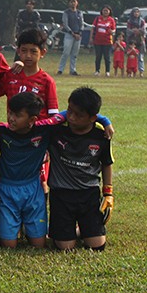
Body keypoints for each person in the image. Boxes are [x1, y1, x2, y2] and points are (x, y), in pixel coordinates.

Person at [48, 87, 114, 251]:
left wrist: (108, 193)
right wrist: (104, 119)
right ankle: (69, 231)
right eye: (69, 111)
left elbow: (106, 163)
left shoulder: (101, 137)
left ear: (93, 118)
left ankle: (81, 229)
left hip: (88, 194)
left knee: (97, 246)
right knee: (65, 247)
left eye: (78, 115)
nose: (71, 117)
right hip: (61, 194)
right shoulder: (57, 130)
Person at [56, 0, 83, 76]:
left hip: (78, 35)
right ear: (69, 3)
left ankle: (73, 70)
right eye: (71, 2)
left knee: (74, 54)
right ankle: (60, 69)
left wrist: (79, 32)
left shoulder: (79, 13)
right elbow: (65, 24)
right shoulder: (66, 12)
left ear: (77, 3)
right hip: (69, 34)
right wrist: (72, 33)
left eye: (74, 1)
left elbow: (82, 24)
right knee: (66, 52)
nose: (73, 3)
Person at [92, 5, 117, 76]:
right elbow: (93, 28)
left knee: (107, 57)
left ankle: (107, 71)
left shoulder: (111, 20)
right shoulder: (97, 18)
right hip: (98, 40)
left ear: (109, 12)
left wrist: (111, 32)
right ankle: (97, 70)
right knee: (98, 56)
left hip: (107, 41)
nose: (105, 12)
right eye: (104, 10)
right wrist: (91, 38)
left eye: (107, 10)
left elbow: (114, 31)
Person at [126, 7, 147, 76]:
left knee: (140, 57)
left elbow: (143, 30)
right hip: (131, 41)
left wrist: (138, 31)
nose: (136, 13)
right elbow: (128, 31)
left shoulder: (142, 21)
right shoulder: (129, 21)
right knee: (131, 56)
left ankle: (141, 72)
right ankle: (130, 72)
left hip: (140, 40)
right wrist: (133, 31)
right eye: (135, 12)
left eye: (138, 12)